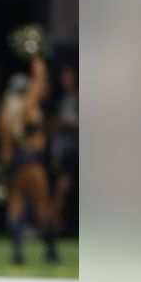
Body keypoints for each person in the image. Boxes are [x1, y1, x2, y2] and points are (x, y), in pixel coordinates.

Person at [0, 56, 60, 264]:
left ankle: (17, 252)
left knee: (16, 206)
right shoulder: (27, 106)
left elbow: (5, 151)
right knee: (43, 207)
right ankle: (51, 251)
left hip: (17, 164)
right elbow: (40, 83)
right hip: (33, 163)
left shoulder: (6, 113)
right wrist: (37, 57)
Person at [49, 65, 78, 235]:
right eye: (63, 77)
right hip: (66, 150)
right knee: (62, 187)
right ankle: (54, 223)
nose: (66, 81)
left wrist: (71, 122)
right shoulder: (59, 99)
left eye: (70, 77)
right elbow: (51, 124)